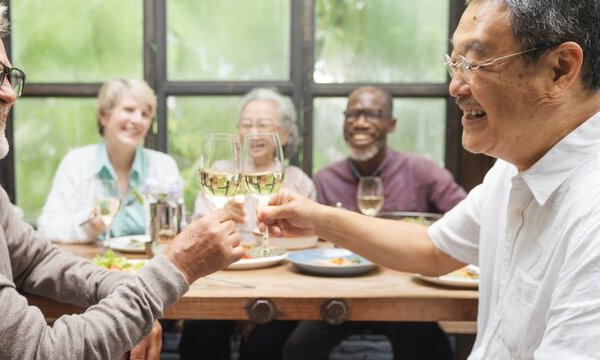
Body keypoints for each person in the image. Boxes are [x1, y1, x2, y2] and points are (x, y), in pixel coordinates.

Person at [0, 1, 244, 359]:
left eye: (8, 76)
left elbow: (35, 259)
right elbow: (41, 351)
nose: (8, 94)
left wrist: (126, 291)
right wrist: (174, 268)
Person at [260, 0, 600, 358]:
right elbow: (433, 249)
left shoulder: (590, 209)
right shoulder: (512, 169)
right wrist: (314, 217)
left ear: (560, 69)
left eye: (474, 63)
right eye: (454, 63)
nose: (455, 86)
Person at [283, 86, 466, 360]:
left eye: (371, 114)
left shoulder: (422, 171)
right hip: (342, 292)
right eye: (352, 114)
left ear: (391, 124)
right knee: (297, 349)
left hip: (404, 294)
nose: (359, 122)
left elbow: (466, 220)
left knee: (428, 346)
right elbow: (313, 244)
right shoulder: (326, 179)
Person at [180, 87, 316, 360]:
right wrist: (215, 219)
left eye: (264, 125)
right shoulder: (218, 173)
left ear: (285, 134)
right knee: (200, 331)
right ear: (237, 132)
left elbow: (308, 245)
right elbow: (194, 235)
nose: (254, 133)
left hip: (280, 289)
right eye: (247, 125)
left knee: (265, 344)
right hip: (220, 283)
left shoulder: (298, 182)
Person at [37, 78, 182, 243]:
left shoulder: (164, 166)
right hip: (91, 265)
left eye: (145, 114)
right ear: (104, 116)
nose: (137, 120)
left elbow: (178, 230)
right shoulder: (76, 163)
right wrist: (89, 225)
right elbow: (47, 228)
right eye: (129, 109)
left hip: (150, 266)